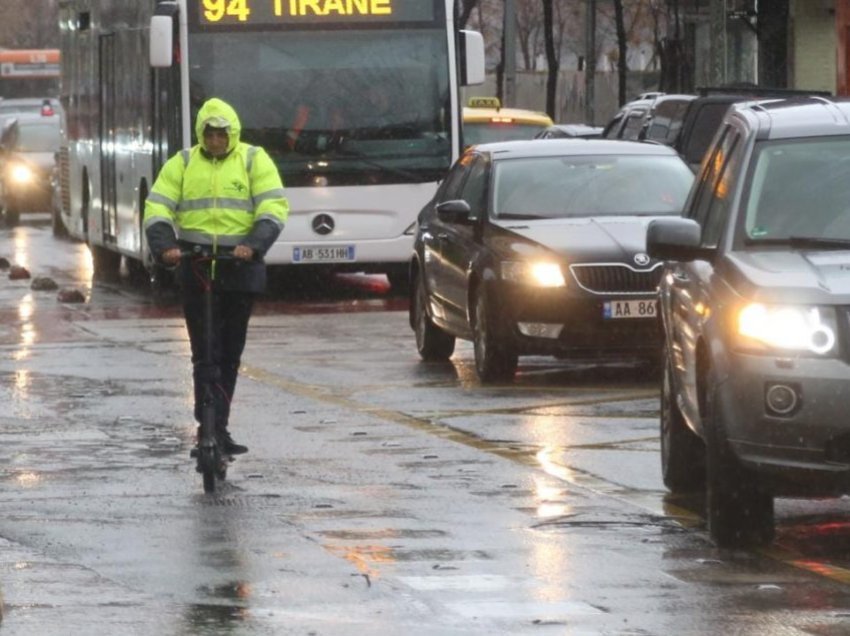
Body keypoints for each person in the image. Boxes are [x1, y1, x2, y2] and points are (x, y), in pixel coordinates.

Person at [143, 97, 289, 455]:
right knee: (203, 352)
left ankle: (218, 425)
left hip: (238, 269)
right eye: (209, 134)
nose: (215, 141)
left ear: (232, 134)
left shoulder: (254, 160)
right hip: (196, 268)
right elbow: (157, 207)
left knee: (228, 352)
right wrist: (166, 247)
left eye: (222, 135)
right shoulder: (183, 163)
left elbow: (273, 207)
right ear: (201, 134)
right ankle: (205, 425)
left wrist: (252, 245)